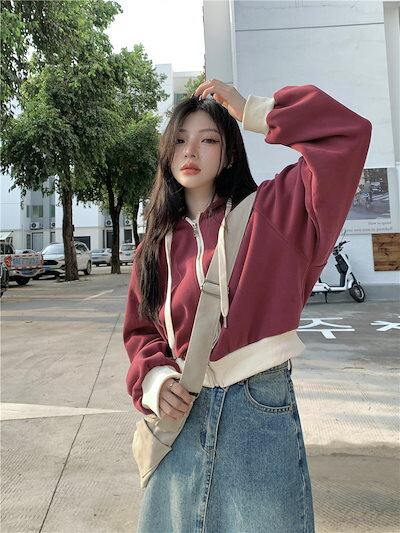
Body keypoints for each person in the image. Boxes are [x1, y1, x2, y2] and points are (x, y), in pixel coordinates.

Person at [123, 79, 372, 532]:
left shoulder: (275, 213)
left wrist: (253, 110)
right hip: (181, 415)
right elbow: (141, 332)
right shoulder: (153, 247)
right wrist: (156, 380)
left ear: (229, 153)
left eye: (208, 140)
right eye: (179, 140)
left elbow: (347, 135)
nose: (190, 151)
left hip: (258, 409)